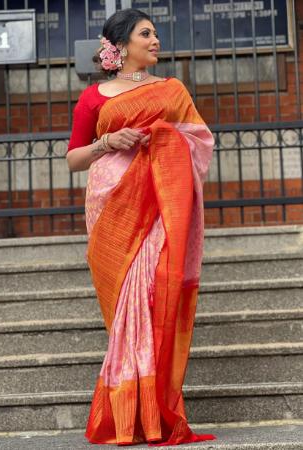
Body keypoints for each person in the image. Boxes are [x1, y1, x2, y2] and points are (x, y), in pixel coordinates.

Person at [66, 8, 215, 447]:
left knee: (153, 295)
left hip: (159, 203)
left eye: (156, 34)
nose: (155, 41)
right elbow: (74, 159)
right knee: (126, 306)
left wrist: (165, 135)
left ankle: (155, 412)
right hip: (111, 205)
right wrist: (107, 141)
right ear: (121, 44)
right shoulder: (94, 97)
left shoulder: (171, 89)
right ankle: (130, 414)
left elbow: (200, 140)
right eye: (145, 34)